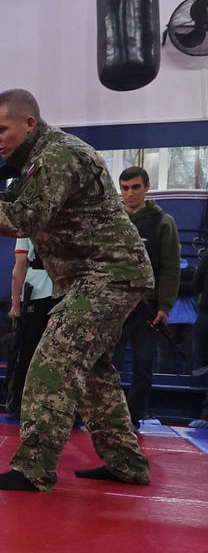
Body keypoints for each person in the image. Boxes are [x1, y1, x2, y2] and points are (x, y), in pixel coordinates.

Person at [0, 88, 153, 491]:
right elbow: (40, 202)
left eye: (1, 128)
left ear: (29, 123)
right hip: (99, 275)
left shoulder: (55, 155)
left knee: (51, 365)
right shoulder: (42, 159)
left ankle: (34, 468)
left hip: (105, 274)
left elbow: (28, 218)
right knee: (94, 375)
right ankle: (126, 463)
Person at [112, 166, 179, 428]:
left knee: (142, 366)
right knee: (107, 365)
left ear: (147, 188)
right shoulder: (113, 220)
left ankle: (134, 417)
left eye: (135, 187)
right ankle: (110, 417)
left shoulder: (163, 222)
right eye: (125, 188)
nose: (130, 193)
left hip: (148, 306)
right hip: (114, 304)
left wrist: (165, 305)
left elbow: (171, 267)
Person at [5, 237, 57, 420]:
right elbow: (20, 265)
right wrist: (16, 302)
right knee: (34, 352)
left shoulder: (27, 226)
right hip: (52, 291)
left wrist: (16, 303)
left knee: (28, 352)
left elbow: (19, 266)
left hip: (44, 291)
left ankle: (19, 403)